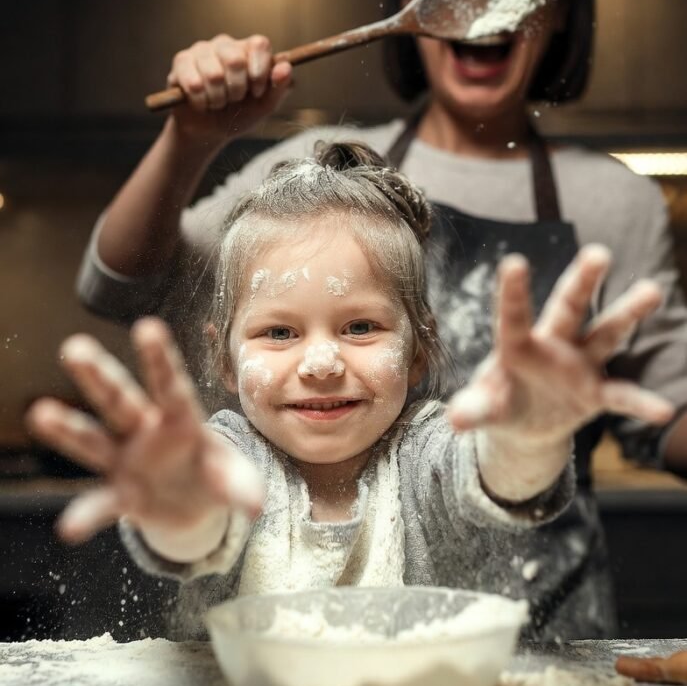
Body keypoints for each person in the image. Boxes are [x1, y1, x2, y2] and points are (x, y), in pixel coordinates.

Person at [75, 0, 687, 635]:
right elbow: (120, 286)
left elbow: (664, 409)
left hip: (546, 633)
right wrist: (190, 138)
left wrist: (530, 431)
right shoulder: (315, 173)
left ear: (559, 7)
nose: (323, 358)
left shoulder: (612, 198)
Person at [29, 143, 672, 641]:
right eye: (278, 331)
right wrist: (179, 500)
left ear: (418, 350)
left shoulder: (423, 450)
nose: (321, 362)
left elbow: (494, 476)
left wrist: (529, 434)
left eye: (359, 327)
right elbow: (203, 521)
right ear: (225, 359)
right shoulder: (229, 451)